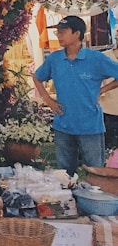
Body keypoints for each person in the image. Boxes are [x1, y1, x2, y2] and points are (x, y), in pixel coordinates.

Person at [33, 15, 118, 176]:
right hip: (63, 124)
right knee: (64, 174)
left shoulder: (96, 58)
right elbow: (37, 77)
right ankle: (68, 200)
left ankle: (94, 200)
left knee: (95, 173)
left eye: (62, 32)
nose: (58, 36)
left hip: (90, 126)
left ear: (77, 34)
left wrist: (103, 90)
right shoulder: (55, 59)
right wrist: (48, 100)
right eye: (57, 32)